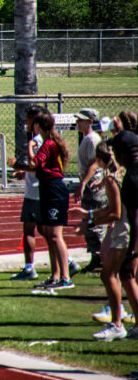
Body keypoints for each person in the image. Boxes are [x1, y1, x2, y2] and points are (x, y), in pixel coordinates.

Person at [9, 110, 74, 290]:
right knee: (49, 235)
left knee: (54, 235)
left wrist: (29, 147)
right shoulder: (47, 144)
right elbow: (37, 168)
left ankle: (66, 276)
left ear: (39, 125)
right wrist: (18, 167)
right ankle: (54, 275)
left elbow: (35, 162)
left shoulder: (48, 144)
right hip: (46, 189)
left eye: (34, 123)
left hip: (54, 190)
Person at [79, 141, 136, 341]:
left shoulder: (112, 179)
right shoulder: (123, 173)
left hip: (123, 231)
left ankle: (117, 324)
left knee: (108, 275)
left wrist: (89, 217)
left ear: (100, 159)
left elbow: (114, 213)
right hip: (129, 228)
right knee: (127, 277)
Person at [109, 110, 138, 338]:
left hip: (135, 236)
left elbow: (135, 215)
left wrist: (133, 249)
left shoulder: (132, 177)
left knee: (127, 274)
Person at [73, 108, 106, 273]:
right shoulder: (87, 139)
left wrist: (83, 183)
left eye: (81, 120)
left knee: (93, 220)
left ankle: (99, 257)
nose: (78, 123)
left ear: (90, 122)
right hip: (89, 182)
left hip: (93, 184)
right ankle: (95, 255)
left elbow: (94, 163)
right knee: (89, 220)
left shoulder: (92, 139)